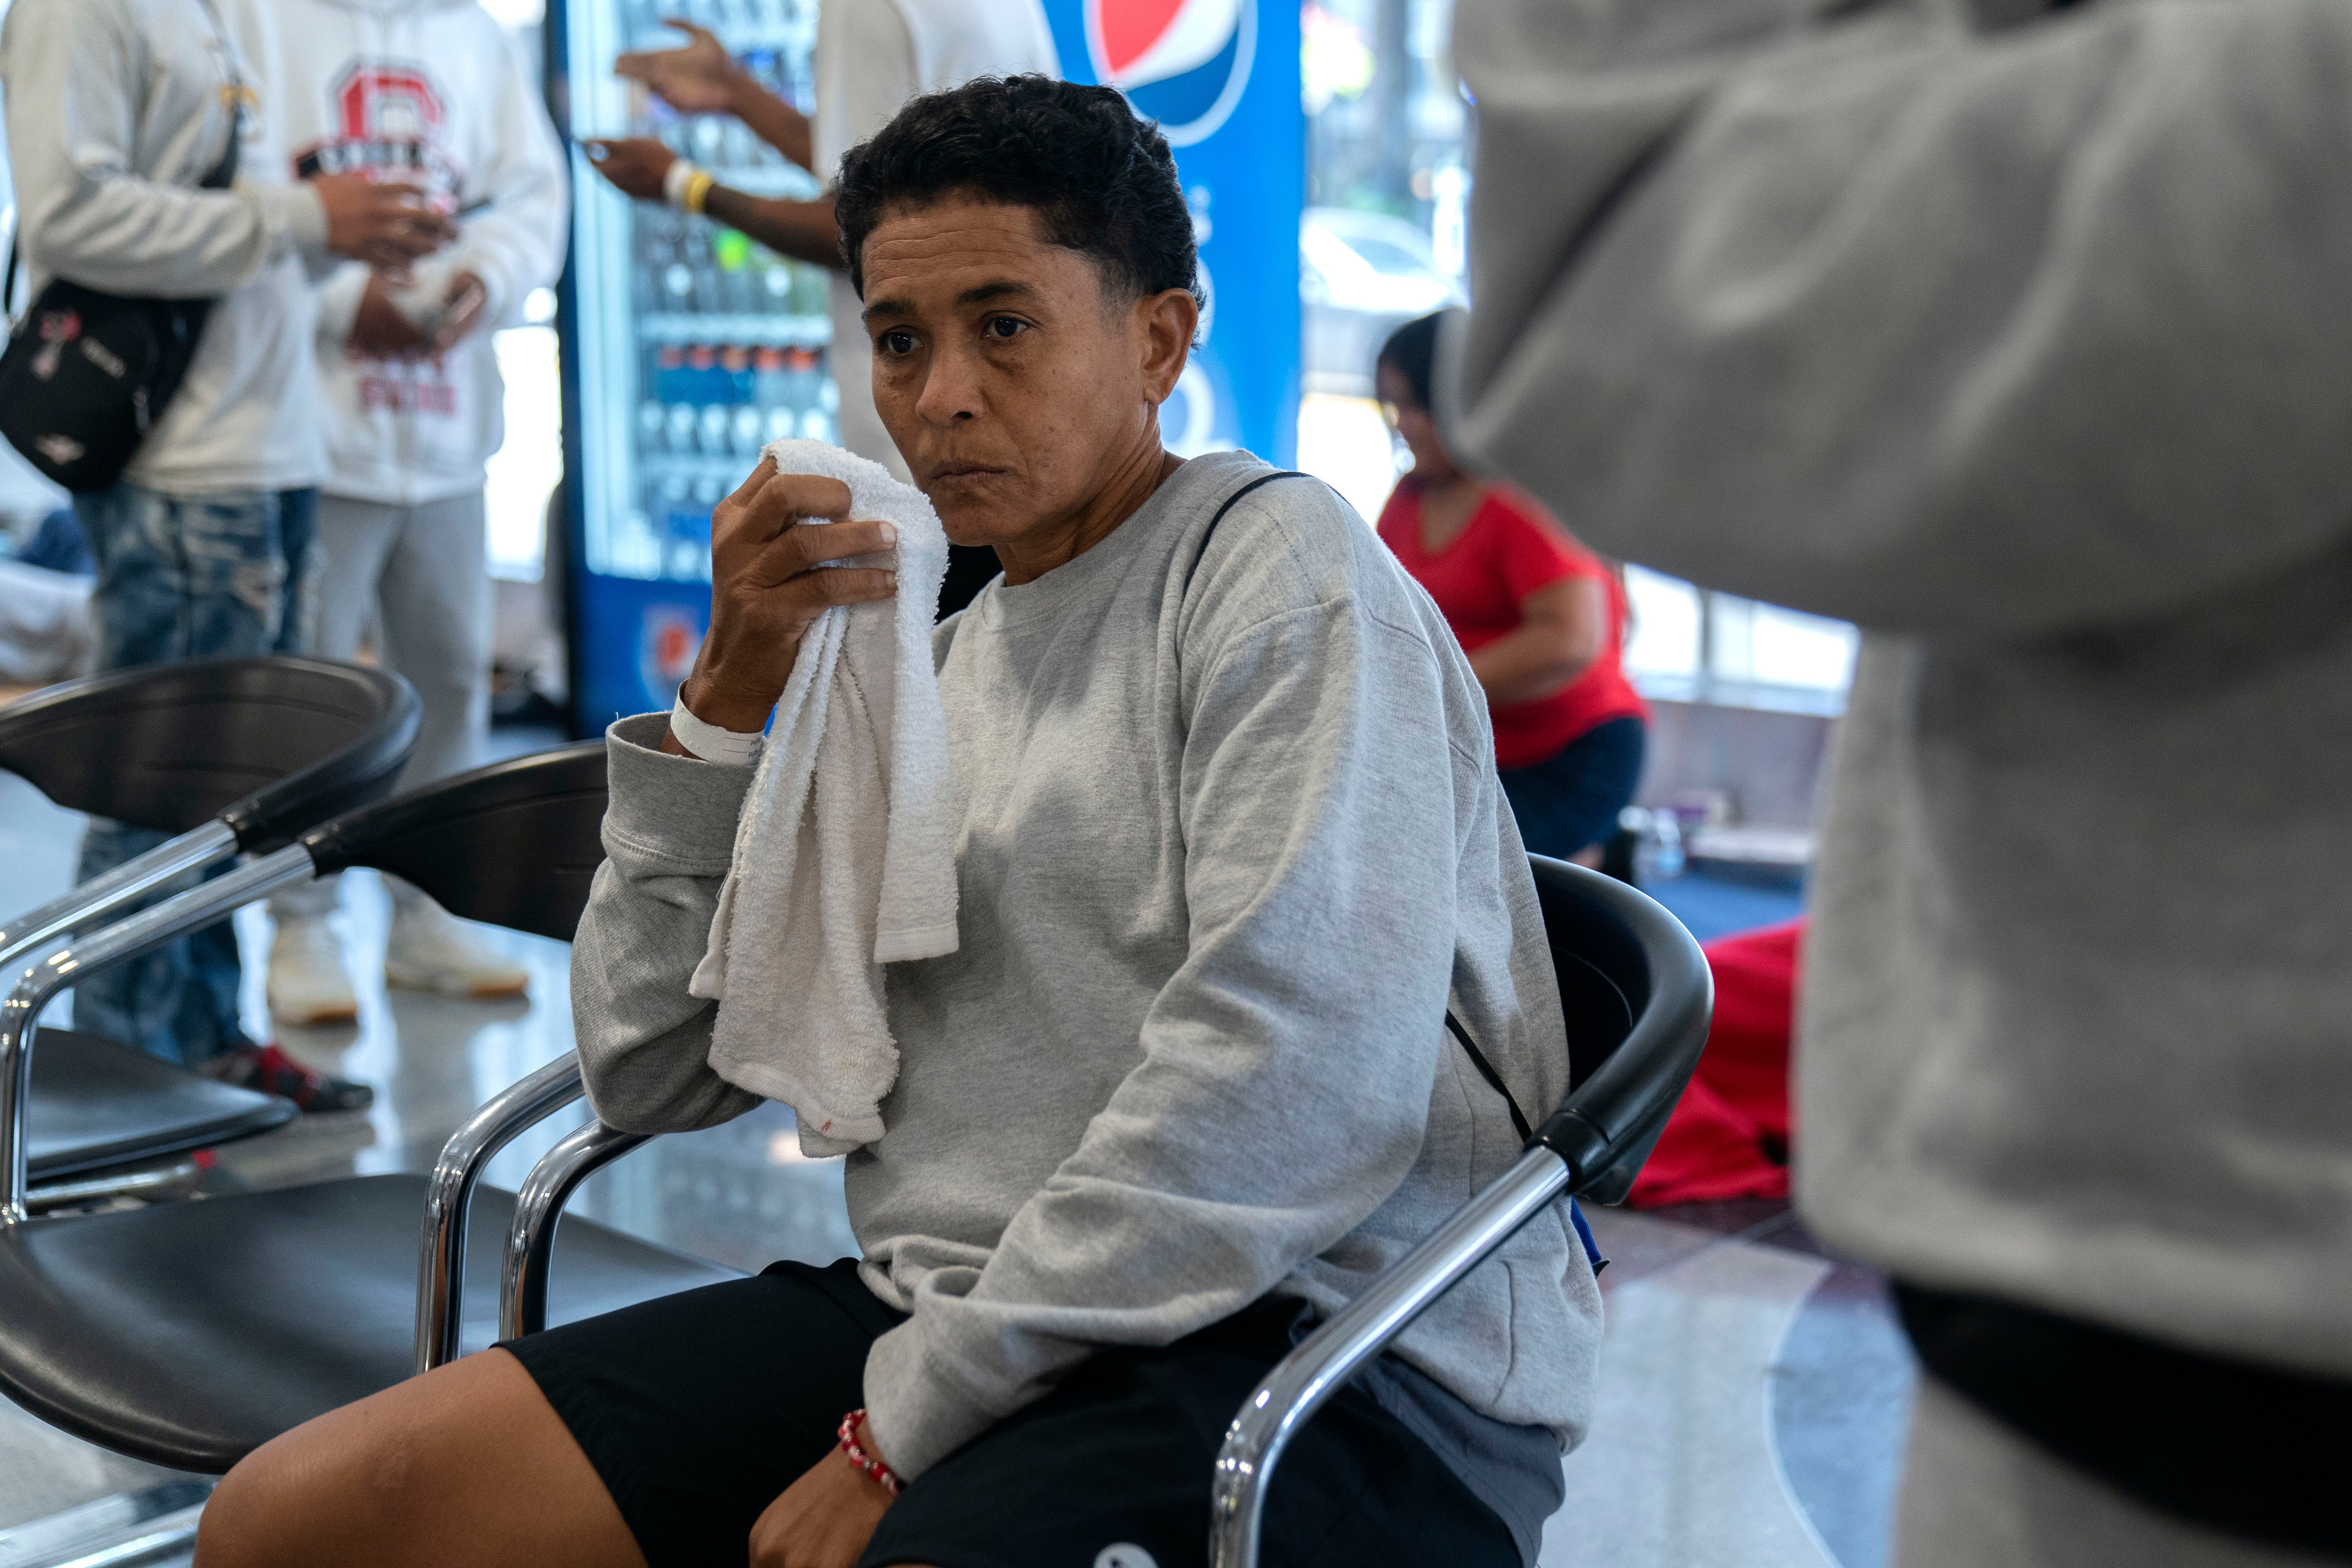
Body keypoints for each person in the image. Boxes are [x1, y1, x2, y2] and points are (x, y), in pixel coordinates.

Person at [194, 75, 1599, 1568]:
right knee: (295, 1522)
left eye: (1005, 326)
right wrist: (723, 705)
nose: (939, 399)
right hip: (958, 1311)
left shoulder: (1273, 575)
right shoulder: (919, 657)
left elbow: (1289, 1091)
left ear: (1160, 340)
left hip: (1320, 1344)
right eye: (899, 339)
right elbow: (649, 1068)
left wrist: (902, 1432)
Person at [1445, 0, 2352, 1562]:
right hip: (2200, 1334)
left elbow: (1570, 637)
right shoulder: (1404, 503)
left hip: (2183, 1232)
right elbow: (1629, 258)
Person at [0, 0, 453, 1107]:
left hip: (265, 454)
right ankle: (115, 1089)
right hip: (186, 473)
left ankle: (198, 1047)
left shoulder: (206, 9)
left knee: (231, 798)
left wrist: (346, 243)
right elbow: (68, 218)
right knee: (164, 796)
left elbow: (250, 236)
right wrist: (306, 215)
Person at [259, 0, 571, 1027]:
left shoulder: (472, 37)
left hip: (444, 437)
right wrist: (349, 307)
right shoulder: (266, 22)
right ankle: (300, 933)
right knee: (308, 699)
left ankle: (429, 914)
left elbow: (533, 197)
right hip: (311, 433)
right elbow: (242, 210)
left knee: (446, 681)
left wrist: (481, 279)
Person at [583, 0, 1057, 613]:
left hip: (925, 454)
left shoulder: (867, 8)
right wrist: (736, 93)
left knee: (934, 690)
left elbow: (863, 232)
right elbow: (894, 176)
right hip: (1010, 426)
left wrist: (684, 185)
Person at [1374, 311, 1647, 865]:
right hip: (1477, 753)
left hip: (1571, 753)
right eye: (1392, 407)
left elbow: (1571, 640)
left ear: (1454, 400)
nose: (1402, 424)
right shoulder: (1409, 499)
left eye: (1414, 405)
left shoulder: (1517, 495)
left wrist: (1429, 681)